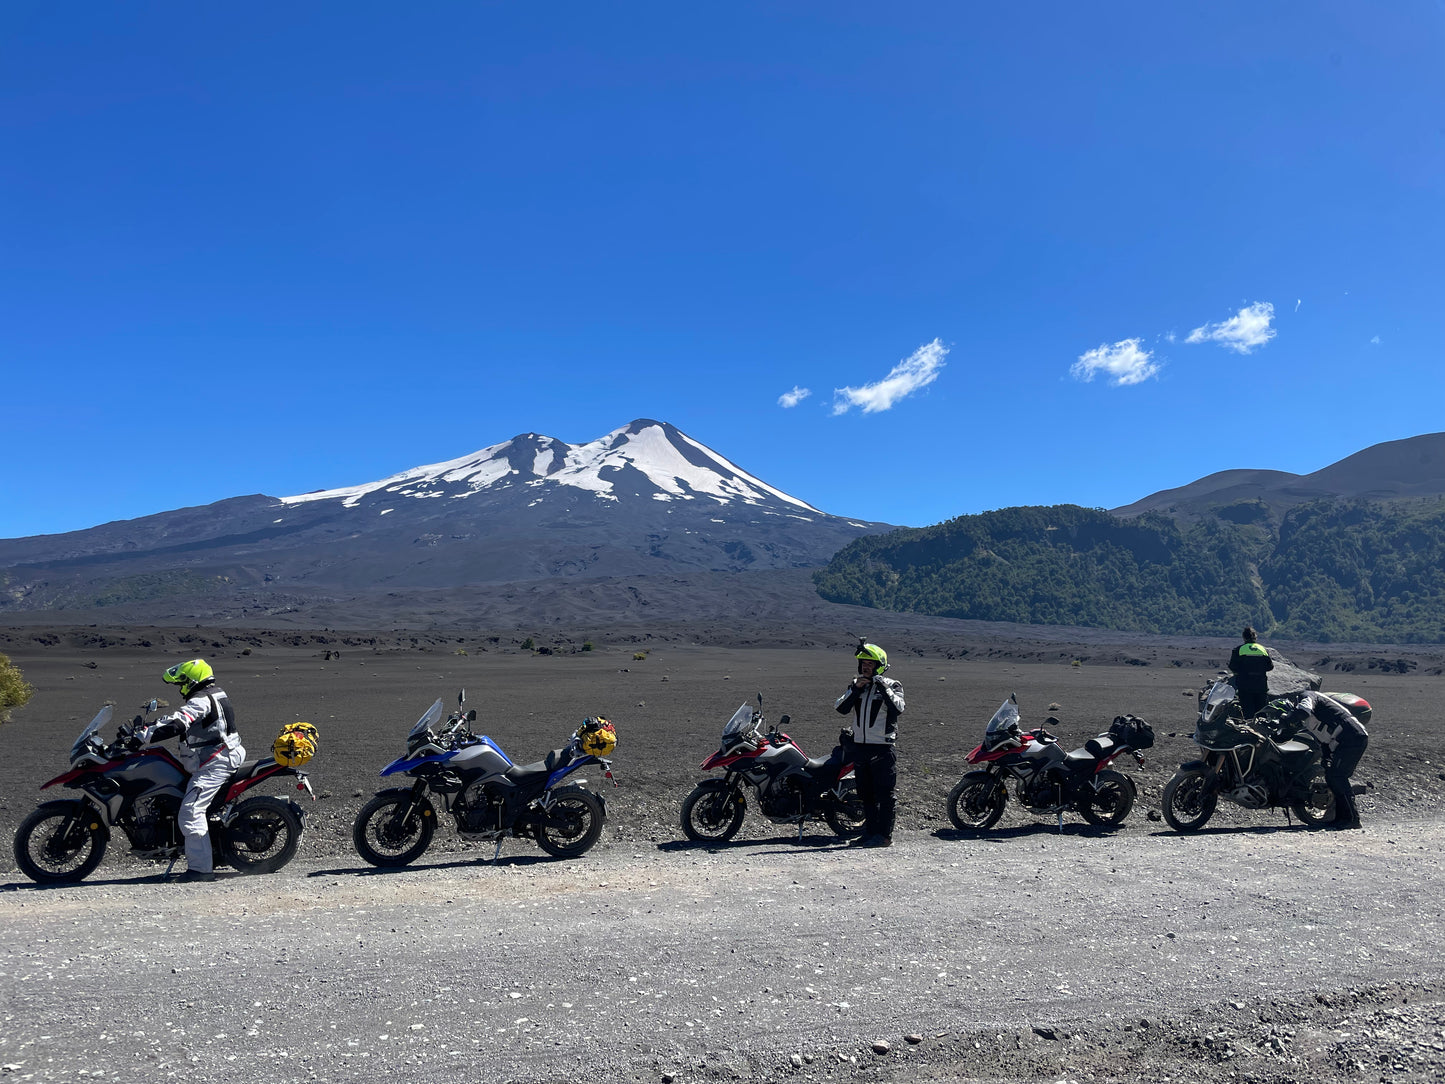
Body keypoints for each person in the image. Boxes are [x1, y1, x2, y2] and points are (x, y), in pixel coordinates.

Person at [137, 659, 245, 881]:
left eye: (182, 682)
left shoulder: (202, 700)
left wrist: (145, 736)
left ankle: (200, 870)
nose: (181, 687)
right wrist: (150, 727)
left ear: (192, 680)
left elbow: (180, 723)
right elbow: (177, 717)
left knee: (191, 812)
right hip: (218, 755)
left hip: (215, 761)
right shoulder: (212, 694)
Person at [835, 641, 905, 848]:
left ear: (879, 665)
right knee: (866, 794)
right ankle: (870, 833)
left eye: (870, 663)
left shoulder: (893, 685)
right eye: (863, 663)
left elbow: (898, 708)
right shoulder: (857, 686)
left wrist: (881, 685)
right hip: (860, 747)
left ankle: (884, 836)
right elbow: (840, 707)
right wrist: (856, 689)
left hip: (882, 748)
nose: (866, 667)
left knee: (885, 795)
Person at [1267, 691, 1369, 830]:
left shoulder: (1307, 696)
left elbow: (1304, 710)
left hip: (1352, 737)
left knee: (1337, 777)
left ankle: (1351, 819)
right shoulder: (1313, 709)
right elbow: (1324, 733)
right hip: (1345, 738)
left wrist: (1285, 720)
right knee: (1332, 776)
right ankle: (1341, 818)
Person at [1228, 626, 1274, 718]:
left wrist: (1240, 672)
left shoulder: (1239, 650)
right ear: (1255, 637)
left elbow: (1232, 666)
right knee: (1261, 712)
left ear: (1244, 637)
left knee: (1248, 712)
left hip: (1245, 686)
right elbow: (1270, 666)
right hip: (1261, 685)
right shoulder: (1262, 650)